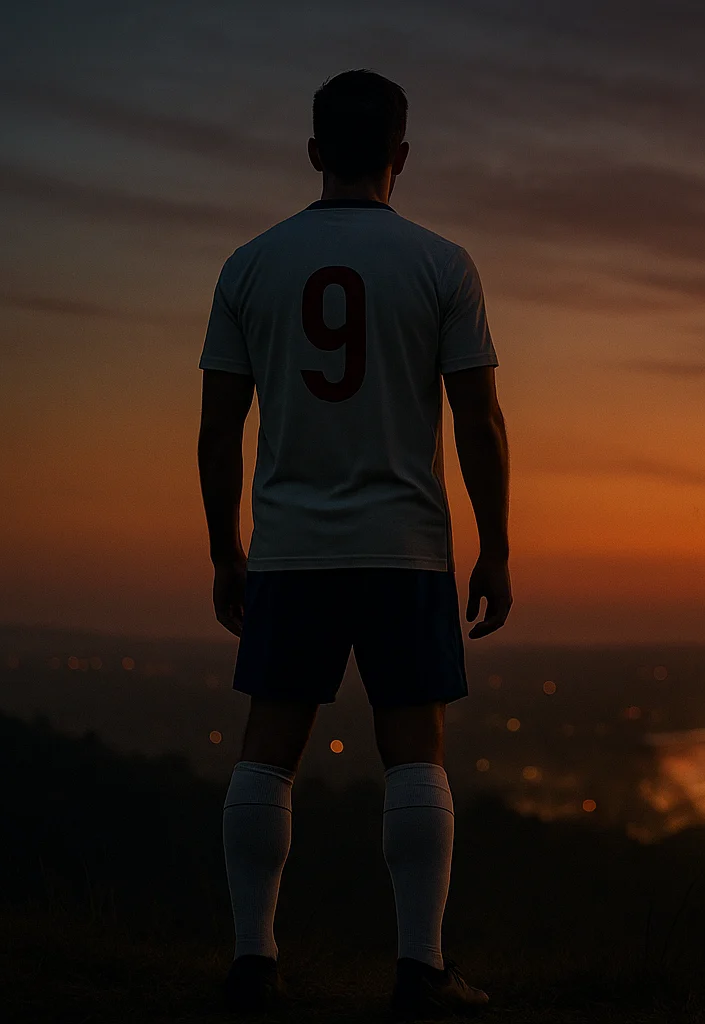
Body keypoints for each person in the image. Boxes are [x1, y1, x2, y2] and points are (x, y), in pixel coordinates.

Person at [196, 69, 510, 1018]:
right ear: (400, 156)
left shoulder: (251, 264)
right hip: (405, 545)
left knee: (267, 751)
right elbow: (478, 421)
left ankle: (254, 962)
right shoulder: (442, 264)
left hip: (291, 546)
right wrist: (495, 546)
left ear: (314, 151)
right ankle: (420, 970)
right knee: (415, 750)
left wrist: (225, 549)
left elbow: (218, 430)